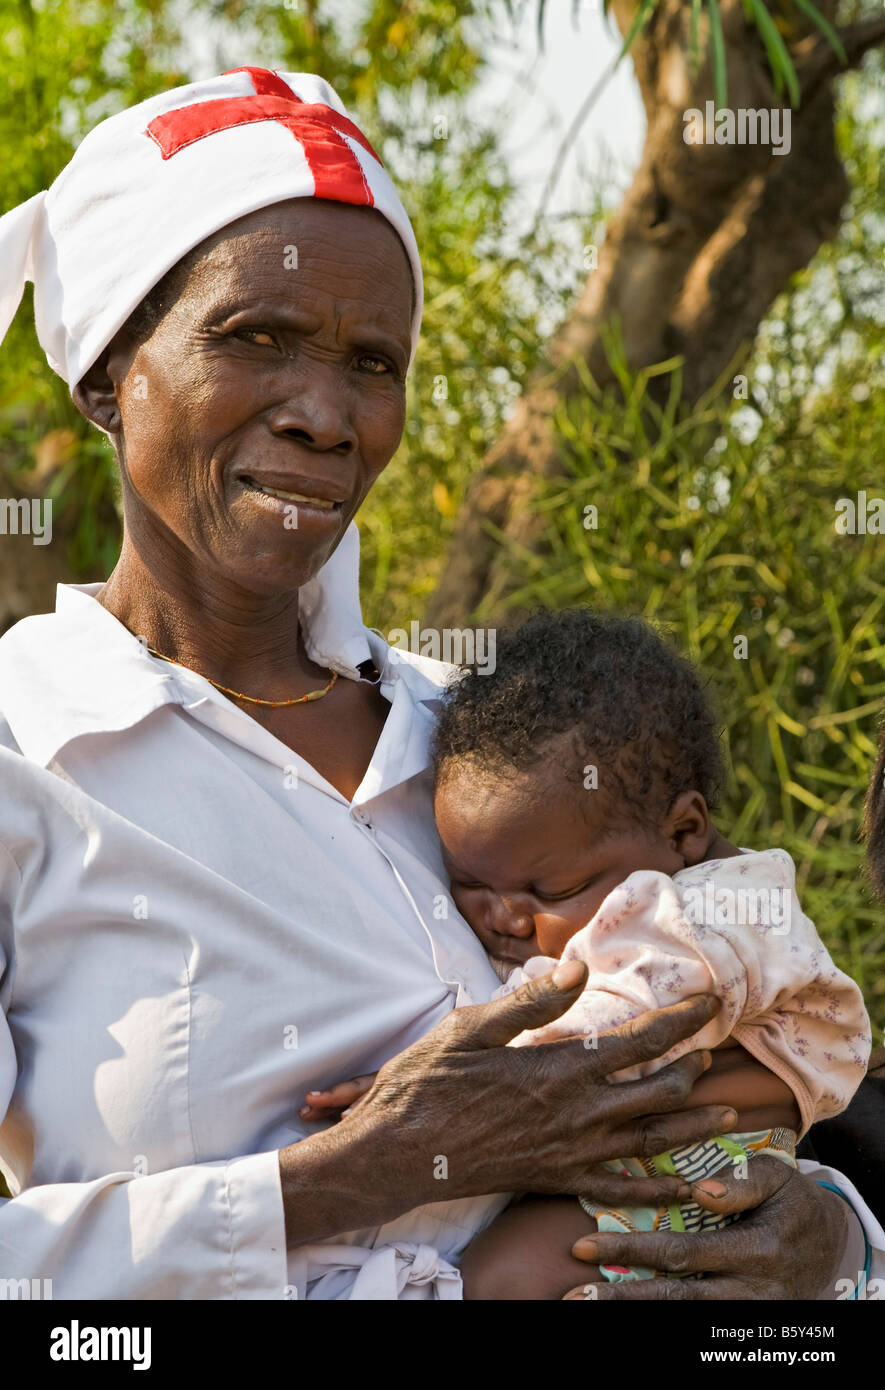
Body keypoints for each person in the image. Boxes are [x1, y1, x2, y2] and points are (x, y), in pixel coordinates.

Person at [0, 65, 880, 1300]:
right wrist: (367, 1165)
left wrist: (831, 1237)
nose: (327, 412)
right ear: (107, 373)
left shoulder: (495, 743)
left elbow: (752, 1039)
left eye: (375, 362)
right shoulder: (28, 756)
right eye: (258, 338)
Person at [427, 610, 871, 1296]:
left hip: (698, 1178)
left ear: (685, 830)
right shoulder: (639, 886)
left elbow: (616, 1029)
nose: (505, 917)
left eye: (550, 888)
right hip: (672, 1171)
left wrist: (456, 1086)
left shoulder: (710, 919)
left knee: (503, 1279)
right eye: (469, 886)